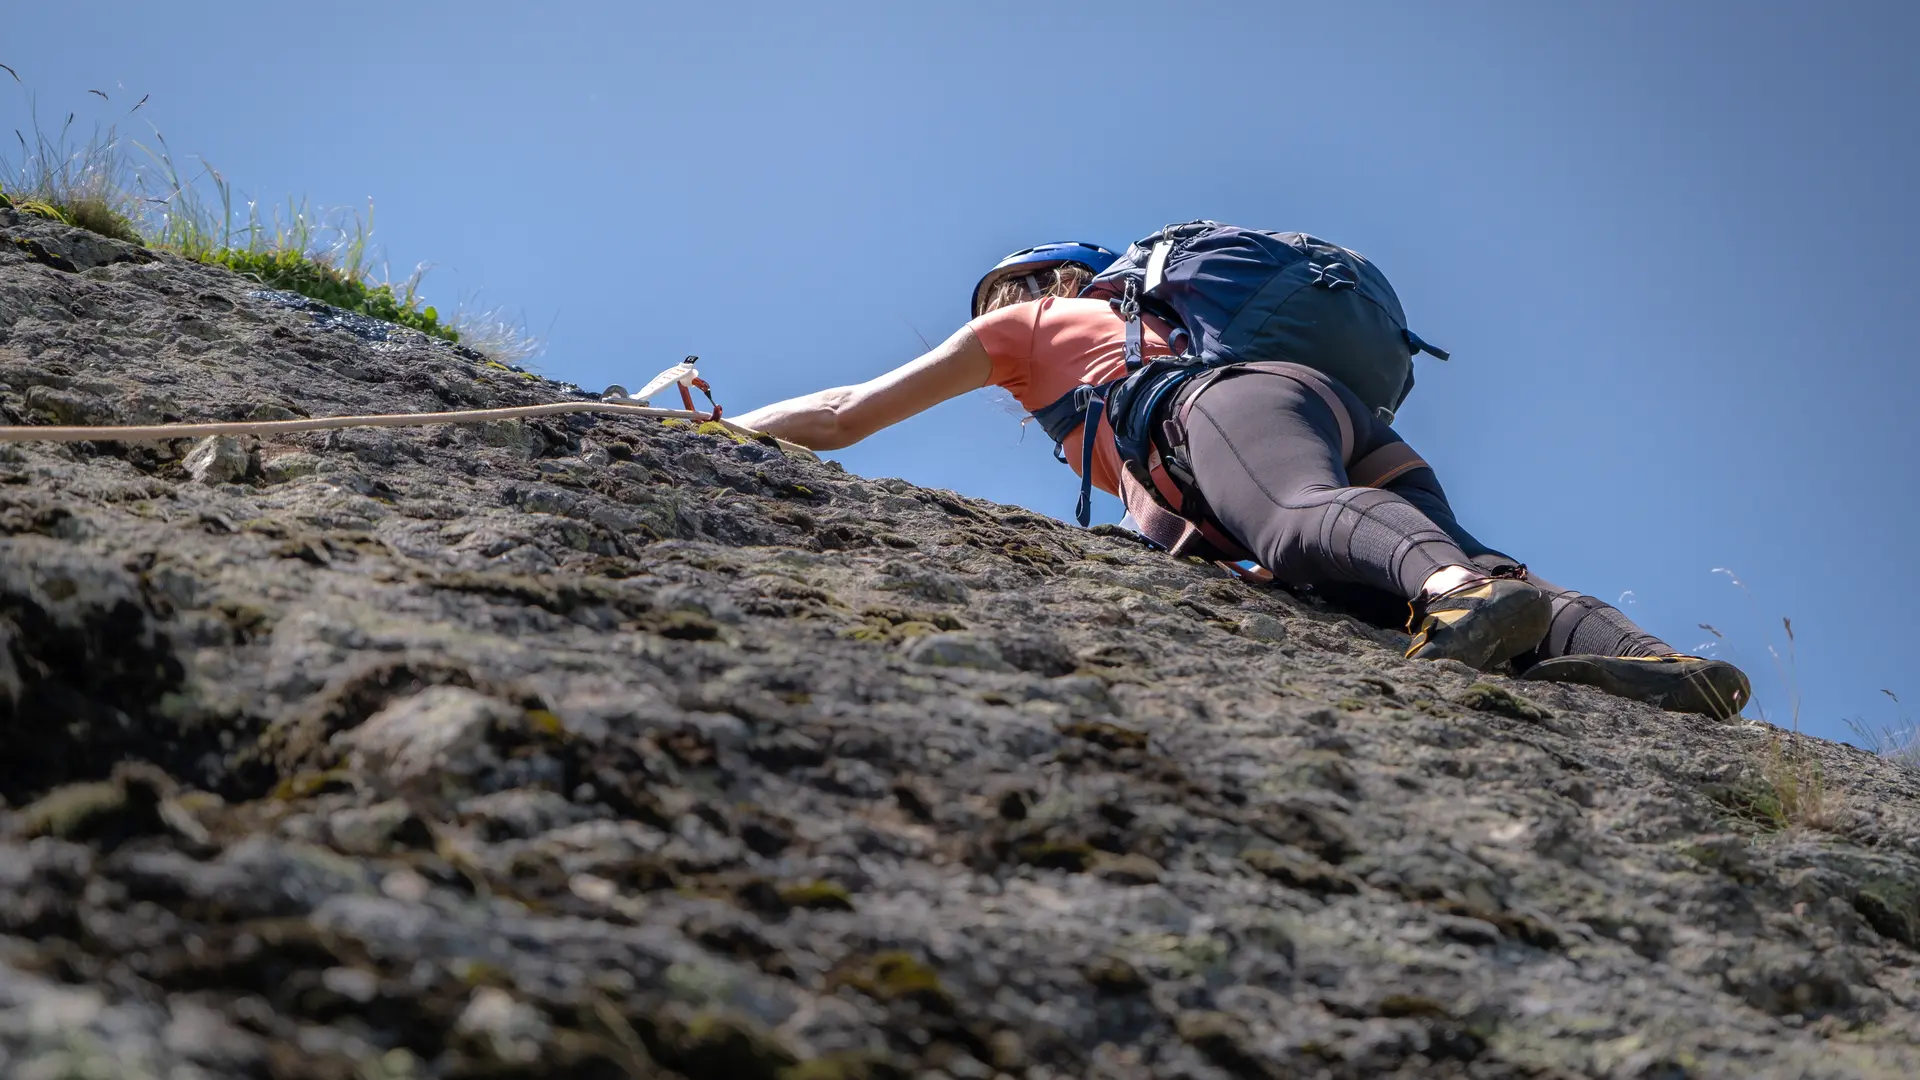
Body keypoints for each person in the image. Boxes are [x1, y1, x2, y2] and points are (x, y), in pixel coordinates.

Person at [731, 241, 1750, 718]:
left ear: (1042, 284)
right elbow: (1184, 526)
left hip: (1218, 413)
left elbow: (846, 414)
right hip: (1326, 405)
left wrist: (712, 428)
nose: (994, 307)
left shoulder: (1028, 327)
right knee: (1438, 547)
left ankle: (1459, 598)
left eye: (1002, 288)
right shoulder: (1148, 320)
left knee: (1303, 522)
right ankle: (1661, 666)